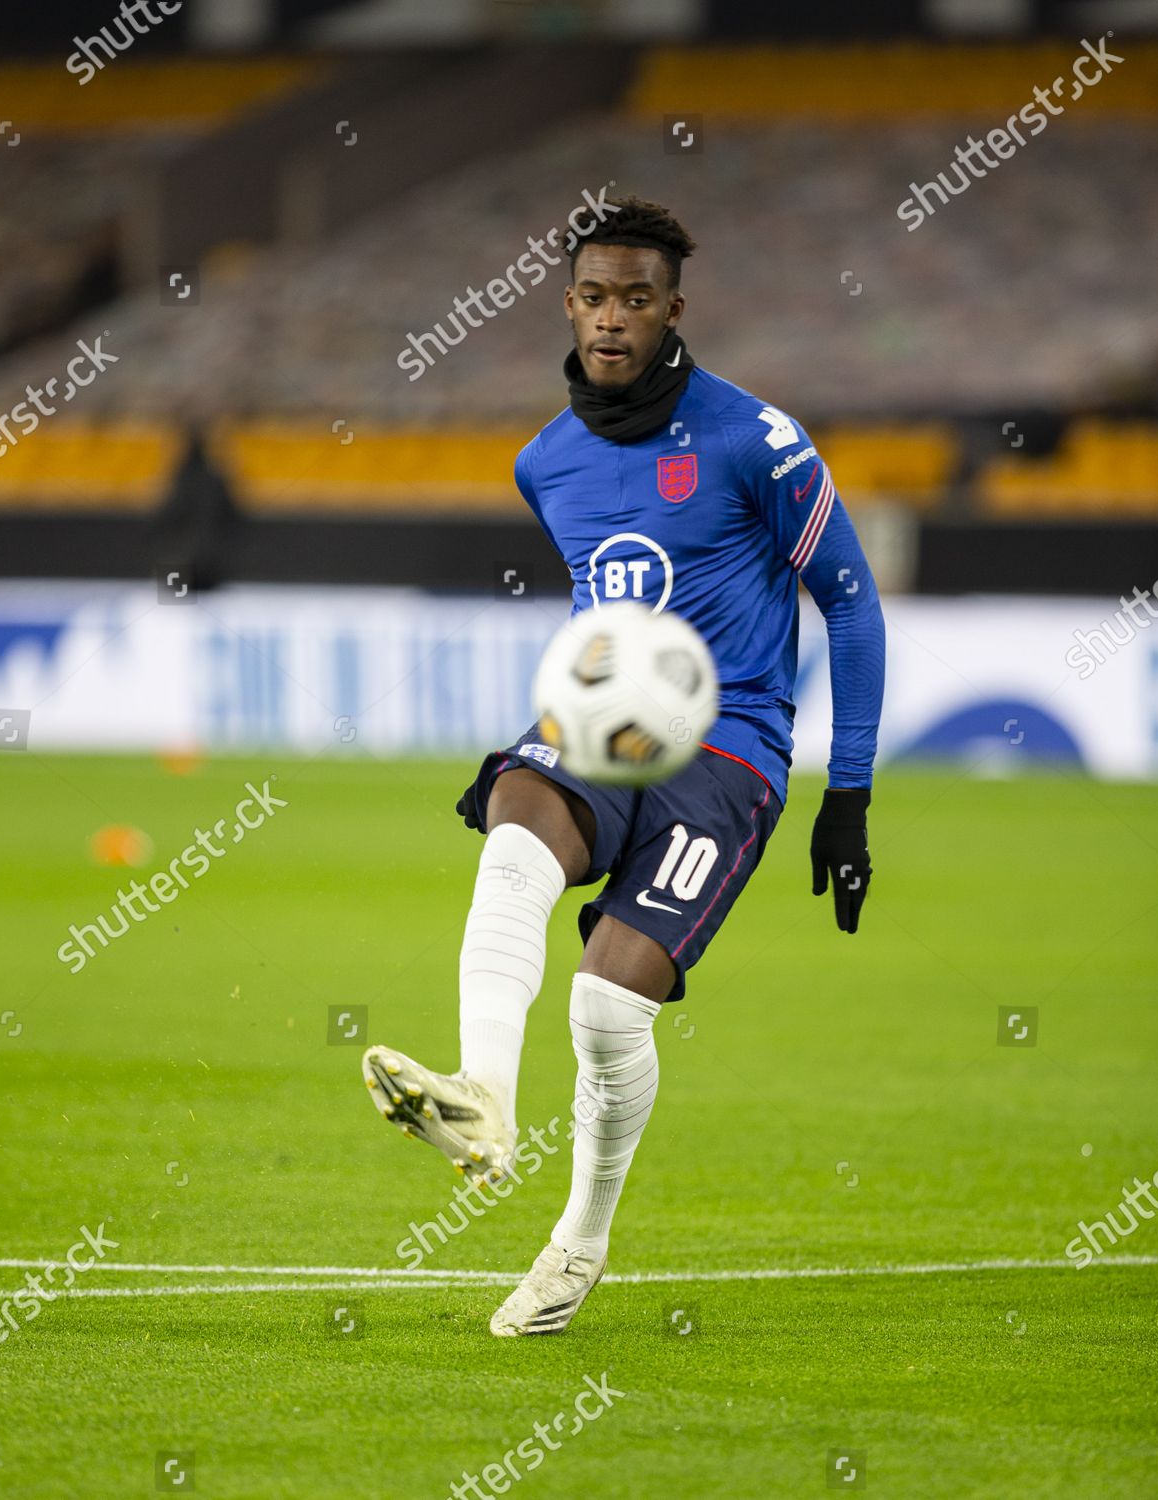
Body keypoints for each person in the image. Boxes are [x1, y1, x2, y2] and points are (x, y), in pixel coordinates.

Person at [363, 196, 885, 1336]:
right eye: (595, 297)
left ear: (673, 310)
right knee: (516, 802)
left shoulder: (757, 438)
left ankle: (578, 1244)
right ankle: (484, 1098)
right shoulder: (544, 463)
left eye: (636, 300)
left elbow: (849, 602)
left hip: (732, 746)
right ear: (568, 303)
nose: (612, 320)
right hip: (610, 725)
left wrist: (847, 797)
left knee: (607, 1005)